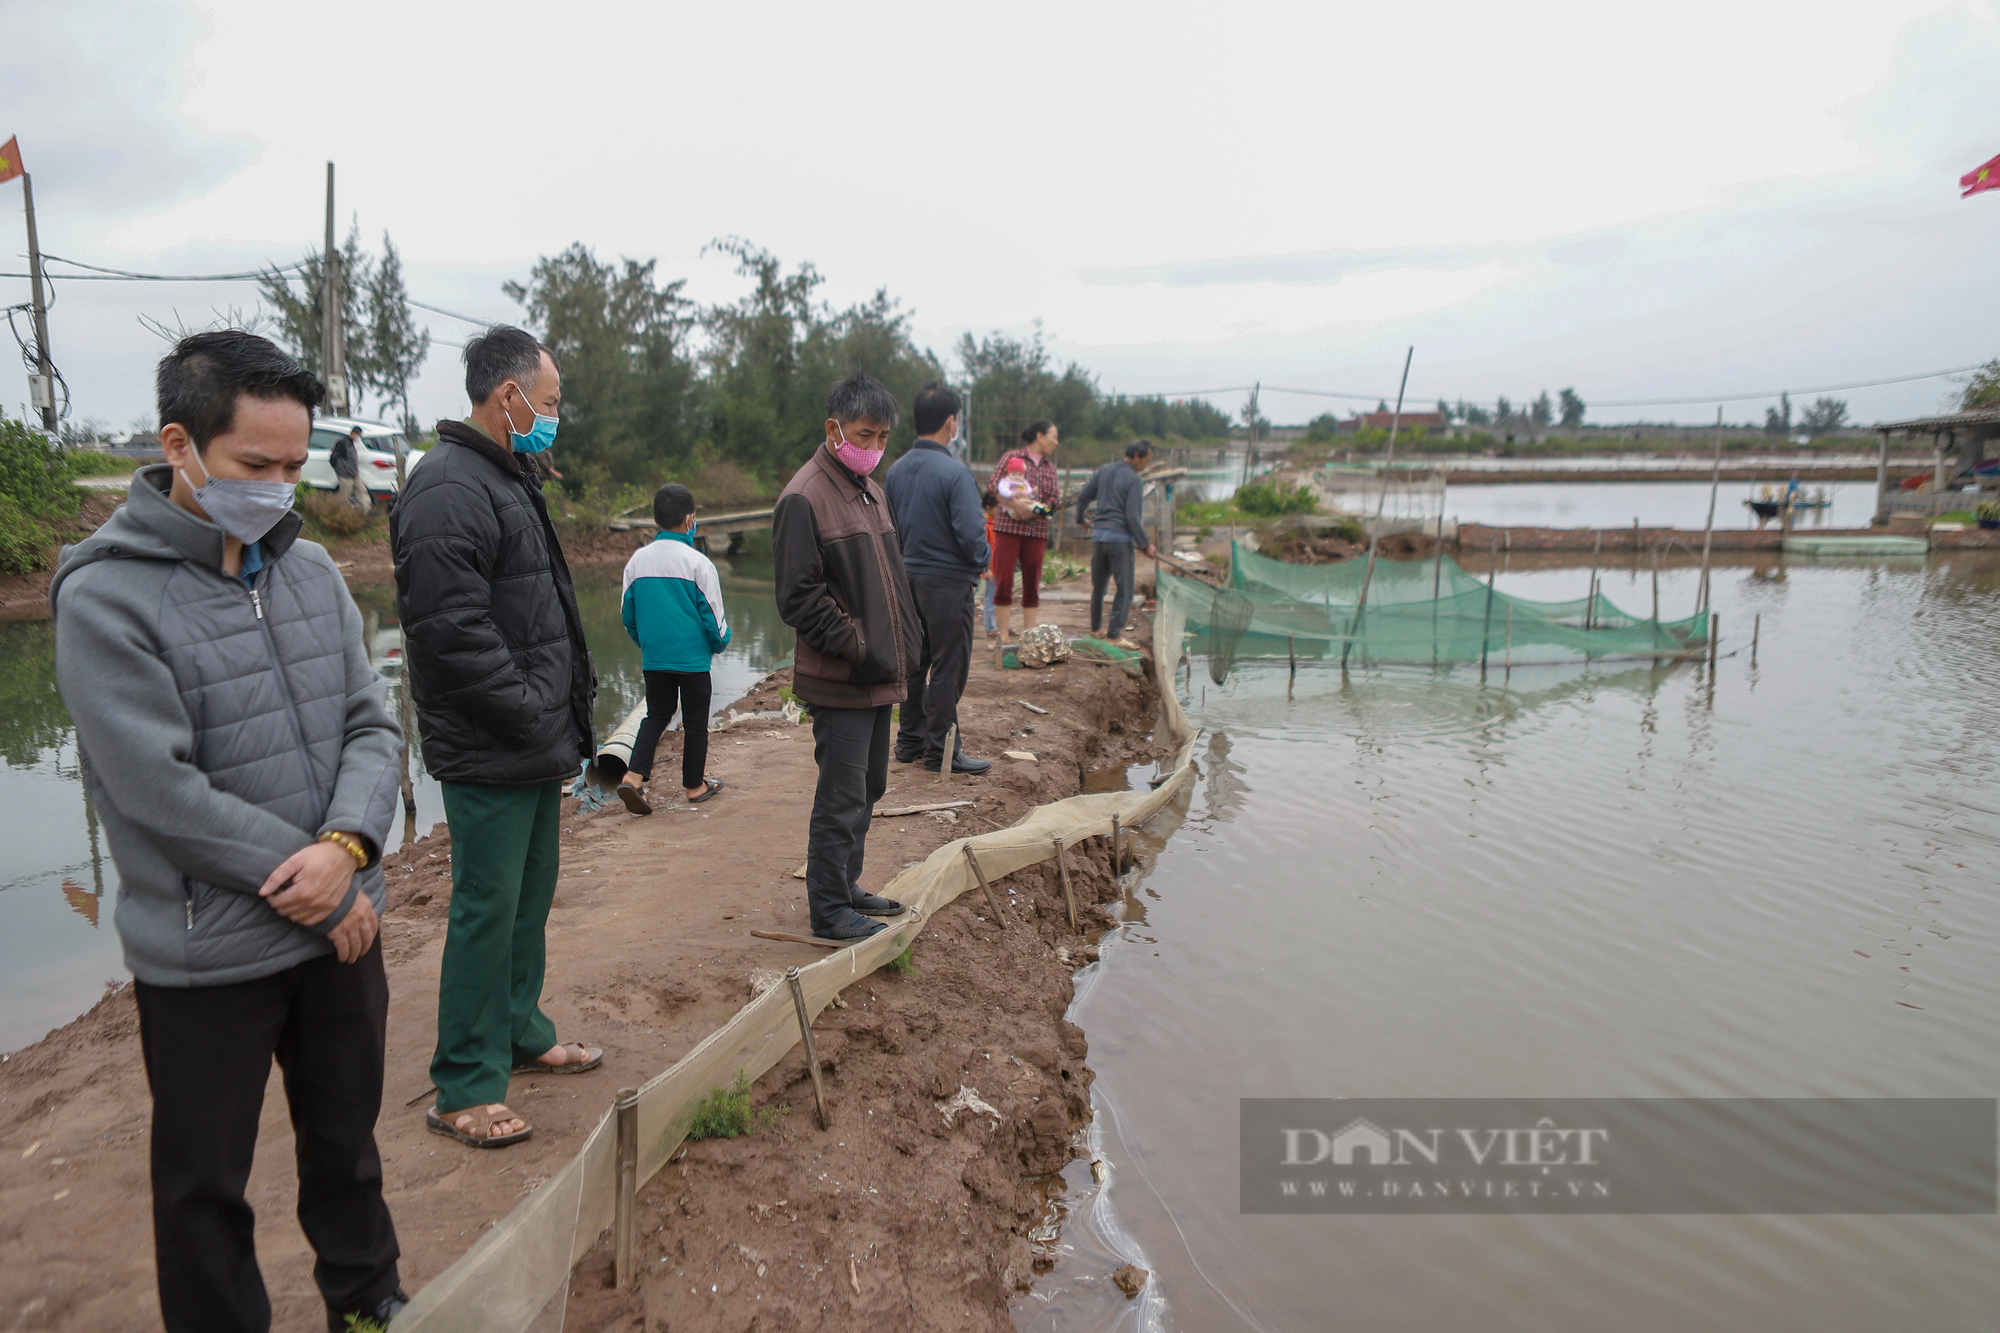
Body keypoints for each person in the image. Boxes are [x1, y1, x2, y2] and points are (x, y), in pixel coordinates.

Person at [49, 331, 409, 1333]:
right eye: (258, 465)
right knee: (204, 1183)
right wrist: (315, 883)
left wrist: (347, 852)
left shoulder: (313, 575)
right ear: (182, 443)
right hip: (211, 951)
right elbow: (158, 790)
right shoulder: (105, 596)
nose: (280, 487)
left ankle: (370, 1301)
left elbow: (370, 726)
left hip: (340, 927)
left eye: (296, 466)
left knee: (347, 1144)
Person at [389, 325, 600, 1150]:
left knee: (528, 897)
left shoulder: (507, 475)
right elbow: (450, 629)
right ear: (505, 396)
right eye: (546, 403)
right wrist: (524, 708)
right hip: (492, 740)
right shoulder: (446, 487)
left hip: (532, 735)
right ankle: (465, 1081)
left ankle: (520, 1028)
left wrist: (555, 711)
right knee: (486, 906)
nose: (553, 417)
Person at [772, 372, 923, 940]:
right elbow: (797, 598)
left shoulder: (869, 489)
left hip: (880, 673)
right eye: (867, 433)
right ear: (833, 427)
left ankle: (846, 883)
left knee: (870, 787)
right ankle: (829, 909)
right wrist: (859, 646)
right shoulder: (804, 496)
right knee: (840, 795)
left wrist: (907, 643)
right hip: (844, 677)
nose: (876, 448)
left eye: (885, 436)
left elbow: (890, 579)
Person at [884, 383, 992, 775]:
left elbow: (890, 528)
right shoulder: (955, 473)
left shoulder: (895, 470)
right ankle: (941, 750)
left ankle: (909, 741)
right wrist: (983, 559)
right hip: (948, 584)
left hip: (907, 578)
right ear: (952, 422)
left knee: (915, 662)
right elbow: (971, 536)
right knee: (948, 666)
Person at [616, 482, 730, 814]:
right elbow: (713, 617)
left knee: (656, 715)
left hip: (655, 658)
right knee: (695, 722)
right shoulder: (698, 563)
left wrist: (646, 644)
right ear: (690, 519)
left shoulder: (637, 562)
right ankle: (695, 787)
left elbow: (628, 614)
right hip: (693, 661)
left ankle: (633, 777)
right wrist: (719, 643)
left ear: (657, 521)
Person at [1074, 438, 1159, 647]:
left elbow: (1083, 496)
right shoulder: (1134, 480)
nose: (1145, 465)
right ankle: (1114, 635)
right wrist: (1146, 544)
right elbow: (1132, 517)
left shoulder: (1104, 471)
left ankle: (1096, 629)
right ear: (1137, 456)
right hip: (1119, 541)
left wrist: (1080, 519)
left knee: (1099, 587)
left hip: (1099, 538)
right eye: (1146, 460)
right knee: (1125, 589)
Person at [987, 419, 1061, 644]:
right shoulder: (1012, 457)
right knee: (1004, 579)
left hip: (1037, 530)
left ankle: (1029, 635)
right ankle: (1003, 635)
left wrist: (1036, 509)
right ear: (1040, 436)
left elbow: (1054, 499)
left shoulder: (1051, 468)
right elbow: (993, 487)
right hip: (1008, 528)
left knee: (1032, 582)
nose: (1056, 442)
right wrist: (1014, 503)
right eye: (1053, 437)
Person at [331, 424, 367, 513]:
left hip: (354, 473)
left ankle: (365, 510)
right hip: (345, 474)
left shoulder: (351, 443)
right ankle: (341, 513)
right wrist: (342, 469)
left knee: (362, 490)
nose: (358, 438)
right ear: (354, 433)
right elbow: (333, 458)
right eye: (358, 435)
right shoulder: (343, 443)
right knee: (344, 495)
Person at [980, 488, 1000, 636]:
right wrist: (986, 569)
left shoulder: (998, 525)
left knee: (1000, 598)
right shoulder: (985, 526)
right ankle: (990, 627)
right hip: (991, 570)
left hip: (1001, 568)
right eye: (998, 508)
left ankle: (998, 625)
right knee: (990, 598)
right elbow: (982, 549)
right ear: (988, 508)